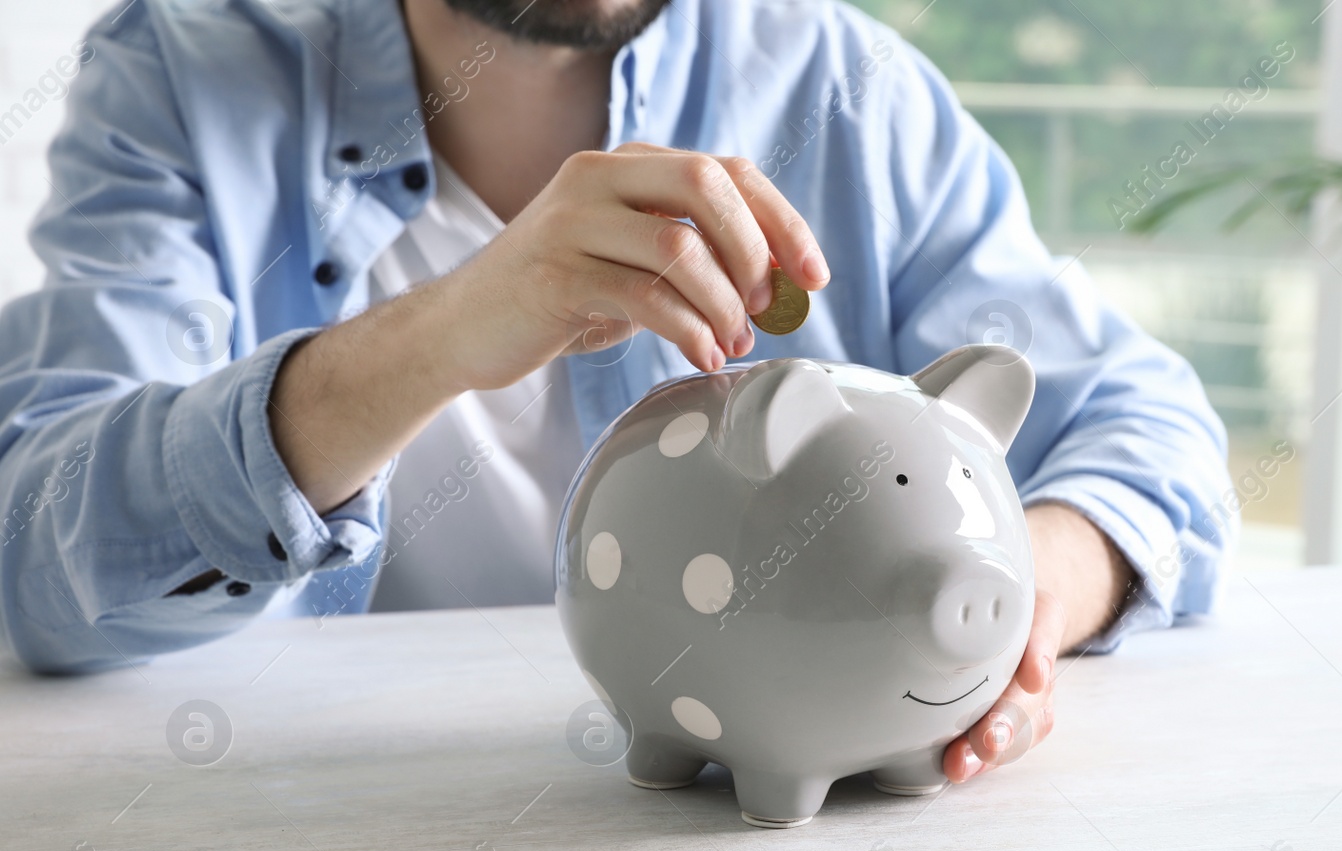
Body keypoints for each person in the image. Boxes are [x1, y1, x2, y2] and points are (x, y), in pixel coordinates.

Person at [0, 0, 1234, 785]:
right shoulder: (175, 70)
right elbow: (45, 563)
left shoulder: (843, 81)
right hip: (315, 833)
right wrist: (442, 332)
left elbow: (1149, 430)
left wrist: (1016, 605)